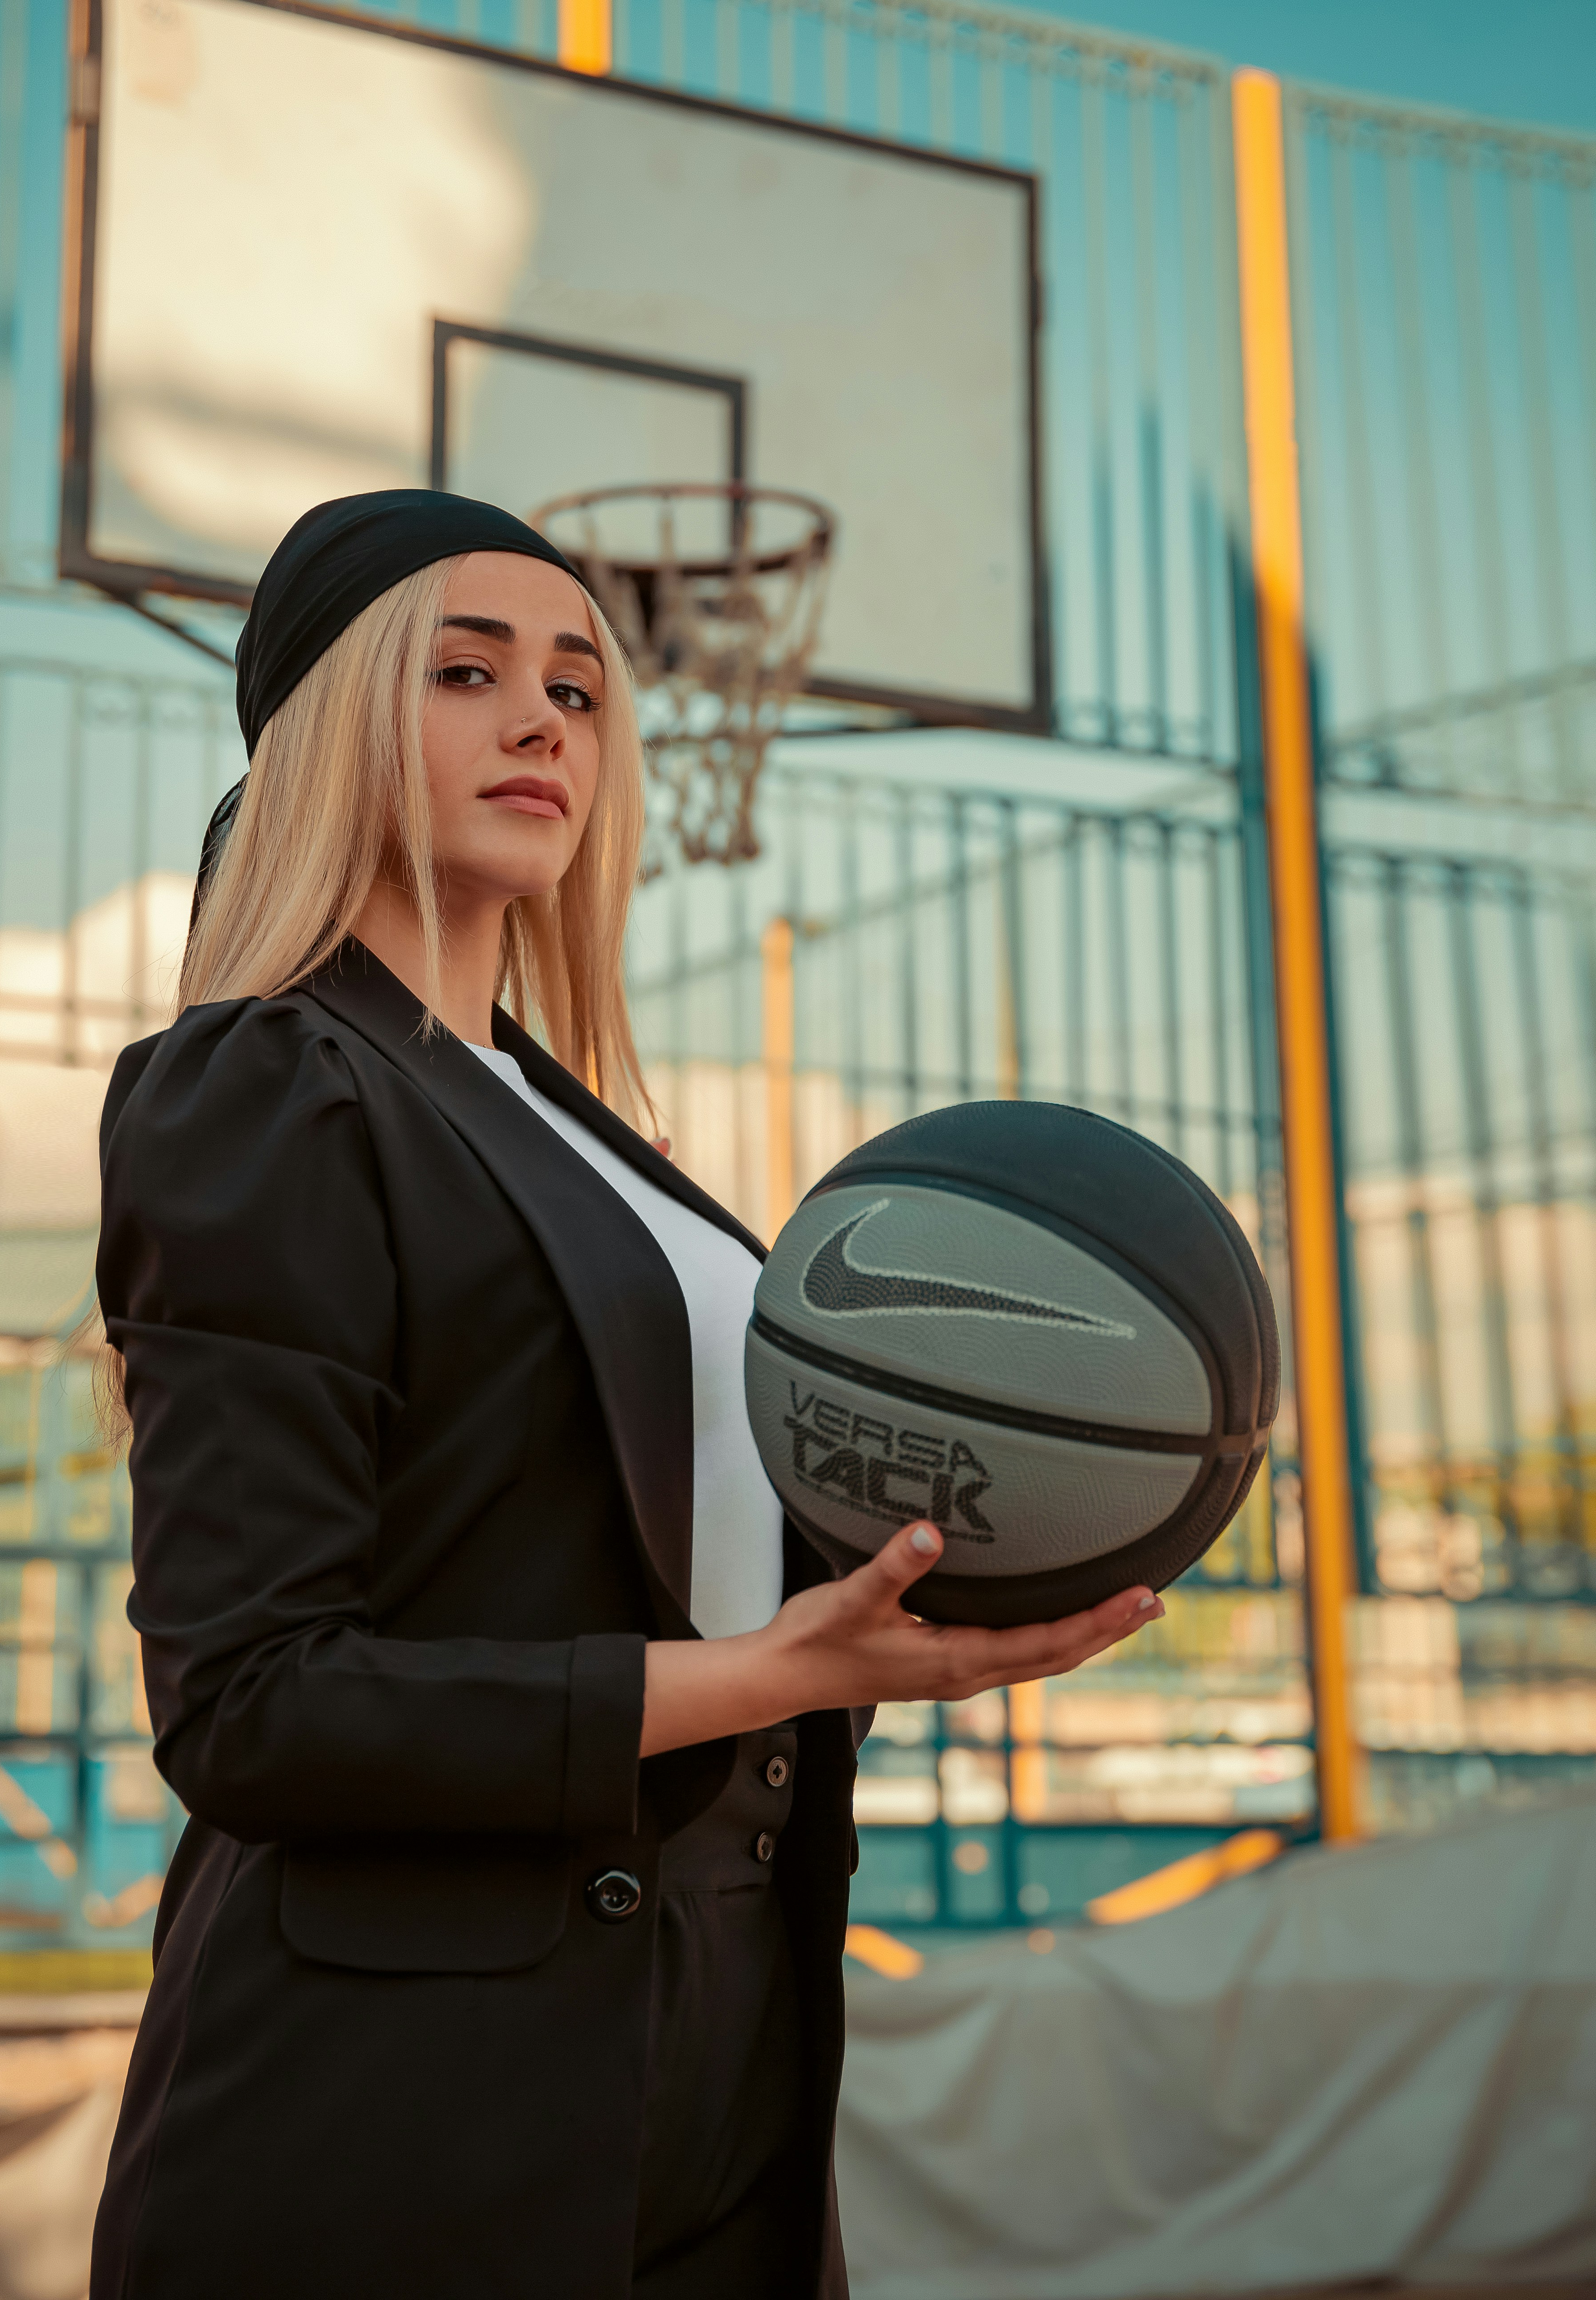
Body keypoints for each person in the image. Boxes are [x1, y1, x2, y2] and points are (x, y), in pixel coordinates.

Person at [87, 491, 1162, 2300]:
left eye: (579, 688)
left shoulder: (589, 1143)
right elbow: (254, 1707)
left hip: (712, 2051)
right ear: (333, 722)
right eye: (468, 669)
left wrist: (909, 1594)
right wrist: (769, 1673)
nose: (540, 720)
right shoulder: (266, 1085)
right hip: (405, 2119)